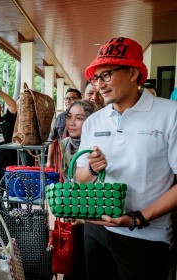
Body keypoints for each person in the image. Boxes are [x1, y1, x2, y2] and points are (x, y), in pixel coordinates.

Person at [76, 37, 177, 280]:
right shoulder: (94, 121)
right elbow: (80, 178)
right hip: (96, 230)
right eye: (96, 78)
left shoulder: (169, 114)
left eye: (107, 75)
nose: (99, 84)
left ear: (133, 72)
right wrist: (91, 168)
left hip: (146, 238)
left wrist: (138, 218)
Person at [56, 99, 101, 280]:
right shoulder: (65, 143)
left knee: (87, 261)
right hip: (72, 212)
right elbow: (66, 177)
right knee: (72, 260)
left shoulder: (97, 146)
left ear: (91, 121)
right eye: (69, 117)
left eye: (79, 118)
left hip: (93, 214)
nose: (72, 123)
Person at [46, 88, 82, 168]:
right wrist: (49, 161)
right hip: (63, 160)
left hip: (81, 158)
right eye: (67, 98)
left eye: (72, 98)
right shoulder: (59, 118)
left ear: (80, 100)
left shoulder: (85, 116)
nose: (68, 100)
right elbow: (52, 139)